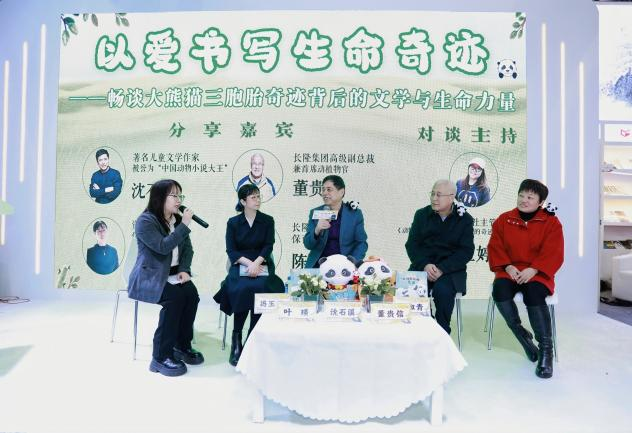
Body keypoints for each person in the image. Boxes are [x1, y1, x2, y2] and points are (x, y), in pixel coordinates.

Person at [487, 179, 564, 379]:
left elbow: (554, 251)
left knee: (533, 292)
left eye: (530, 197)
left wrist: (534, 269)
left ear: (541, 202)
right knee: (500, 290)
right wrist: (508, 266)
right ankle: (521, 334)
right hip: (510, 269)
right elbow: (495, 246)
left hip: (538, 272)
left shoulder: (551, 222)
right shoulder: (504, 219)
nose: (524, 200)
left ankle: (546, 350)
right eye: (521, 195)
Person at [127, 179, 203, 377]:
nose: (179, 200)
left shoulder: (176, 220)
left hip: (174, 273)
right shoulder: (145, 221)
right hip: (149, 276)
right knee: (174, 299)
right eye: (174, 195)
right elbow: (162, 247)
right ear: (160, 197)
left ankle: (181, 345)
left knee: (191, 295)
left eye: (180, 195)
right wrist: (184, 225)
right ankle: (160, 357)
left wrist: (185, 269)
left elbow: (188, 249)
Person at [214, 184, 284, 366]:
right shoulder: (233, 222)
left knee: (262, 287)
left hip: (261, 262)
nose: (257, 200)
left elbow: (268, 246)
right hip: (241, 263)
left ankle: (252, 337)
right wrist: (249, 264)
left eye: (258, 196)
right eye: (253, 197)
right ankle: (236, 337)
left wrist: (256, 263)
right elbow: (231, 250)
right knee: (242, 287)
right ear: (243, 201)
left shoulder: (267, 220)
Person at [405, 179, 474, 334]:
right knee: (409, 289)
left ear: (451, 197)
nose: (434, 198)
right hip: (423, 266)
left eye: (439, 195)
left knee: (443, 291)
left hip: (450, 270)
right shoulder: (421, 215)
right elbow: (412, 245)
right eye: (433, 194)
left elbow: (466, 251)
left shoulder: (465, 219)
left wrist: (442, 268)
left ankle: (442, 332)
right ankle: (423, 326)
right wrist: (425, 264)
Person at [303, 175, 368, 269]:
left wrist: (352, 262)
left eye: (329, 189)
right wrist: (317, 230)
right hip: (318, 266)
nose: (325, 193)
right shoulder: (315, 212)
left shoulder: (354, 214)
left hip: (344, 267)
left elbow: (361, 243)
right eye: (323, 190)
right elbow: (308, 244)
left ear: (341, 192)